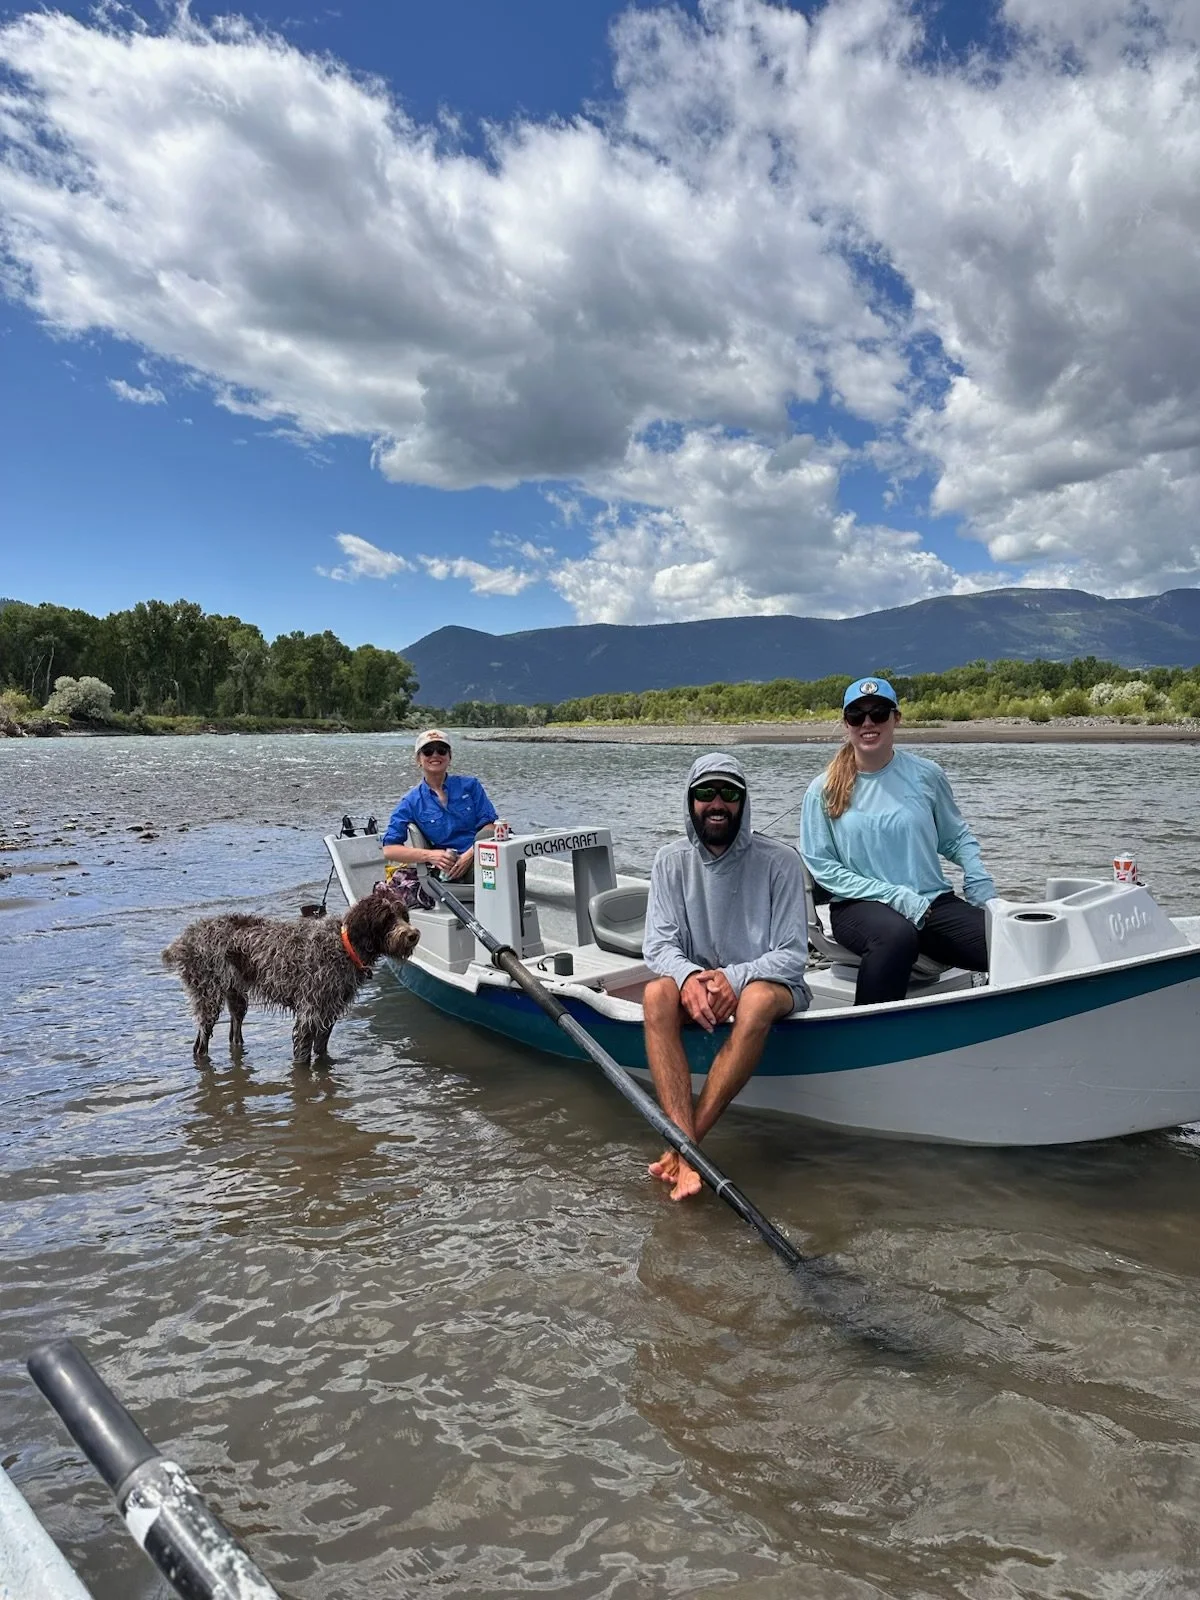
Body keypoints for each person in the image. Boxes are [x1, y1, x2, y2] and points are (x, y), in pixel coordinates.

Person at [641, 753, 810, 1201]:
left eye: (730, 794)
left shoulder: (782, 862)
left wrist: (733, 980)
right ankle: (688, 1151)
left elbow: (793, 955)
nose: (718, 804)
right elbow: (658, 947)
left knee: (755, 999)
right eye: (706, 793)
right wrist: (691, 978)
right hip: (701, 989)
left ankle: (685, 1150)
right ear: (690, 801)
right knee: (657, 992)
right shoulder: (668, 861)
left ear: (744, 802)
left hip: (768, 987)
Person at [800, 677, 996, 1006]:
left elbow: (955, 837)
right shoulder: (822, 790)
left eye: (878, 713)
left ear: (896, 718)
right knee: (896, 936)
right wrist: (893, 895)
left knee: (1009, 941)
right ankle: (870, 1040)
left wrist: (977, 873)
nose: (868, 723)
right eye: (856, 716)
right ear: (845, 723)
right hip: (857, 906)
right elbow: (823, 868)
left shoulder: (927, 775)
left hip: (931, 901)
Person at [382, 730, 507, 883]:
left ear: (449, 757)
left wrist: (470, 854)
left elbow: (489, 826)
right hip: (451, 869)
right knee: (495, 873)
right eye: (428, 751)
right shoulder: (410, 802)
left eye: (441, 750)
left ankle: (513, 906)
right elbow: (389, 849)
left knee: (509, 862)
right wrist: (430, 856)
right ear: (418, 759)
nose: (435, 755)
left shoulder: (471, 786)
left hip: (482, 854)